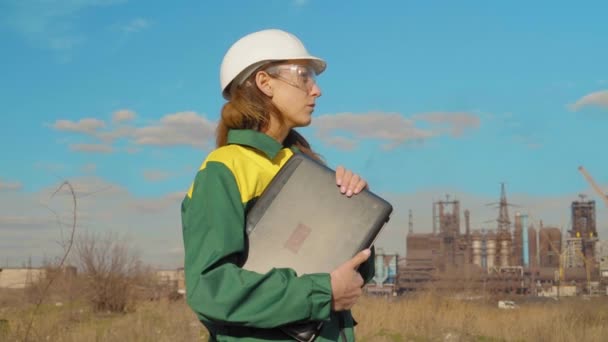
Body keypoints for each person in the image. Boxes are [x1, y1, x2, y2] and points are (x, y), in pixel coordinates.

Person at [181, 28, 375, 341]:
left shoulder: (305, 168)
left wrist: (357, 215)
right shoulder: (225, 169)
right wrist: (322, 293)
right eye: (304, 76)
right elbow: (210, 289)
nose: (316, 90)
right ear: (264, 82)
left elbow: (347, 272)